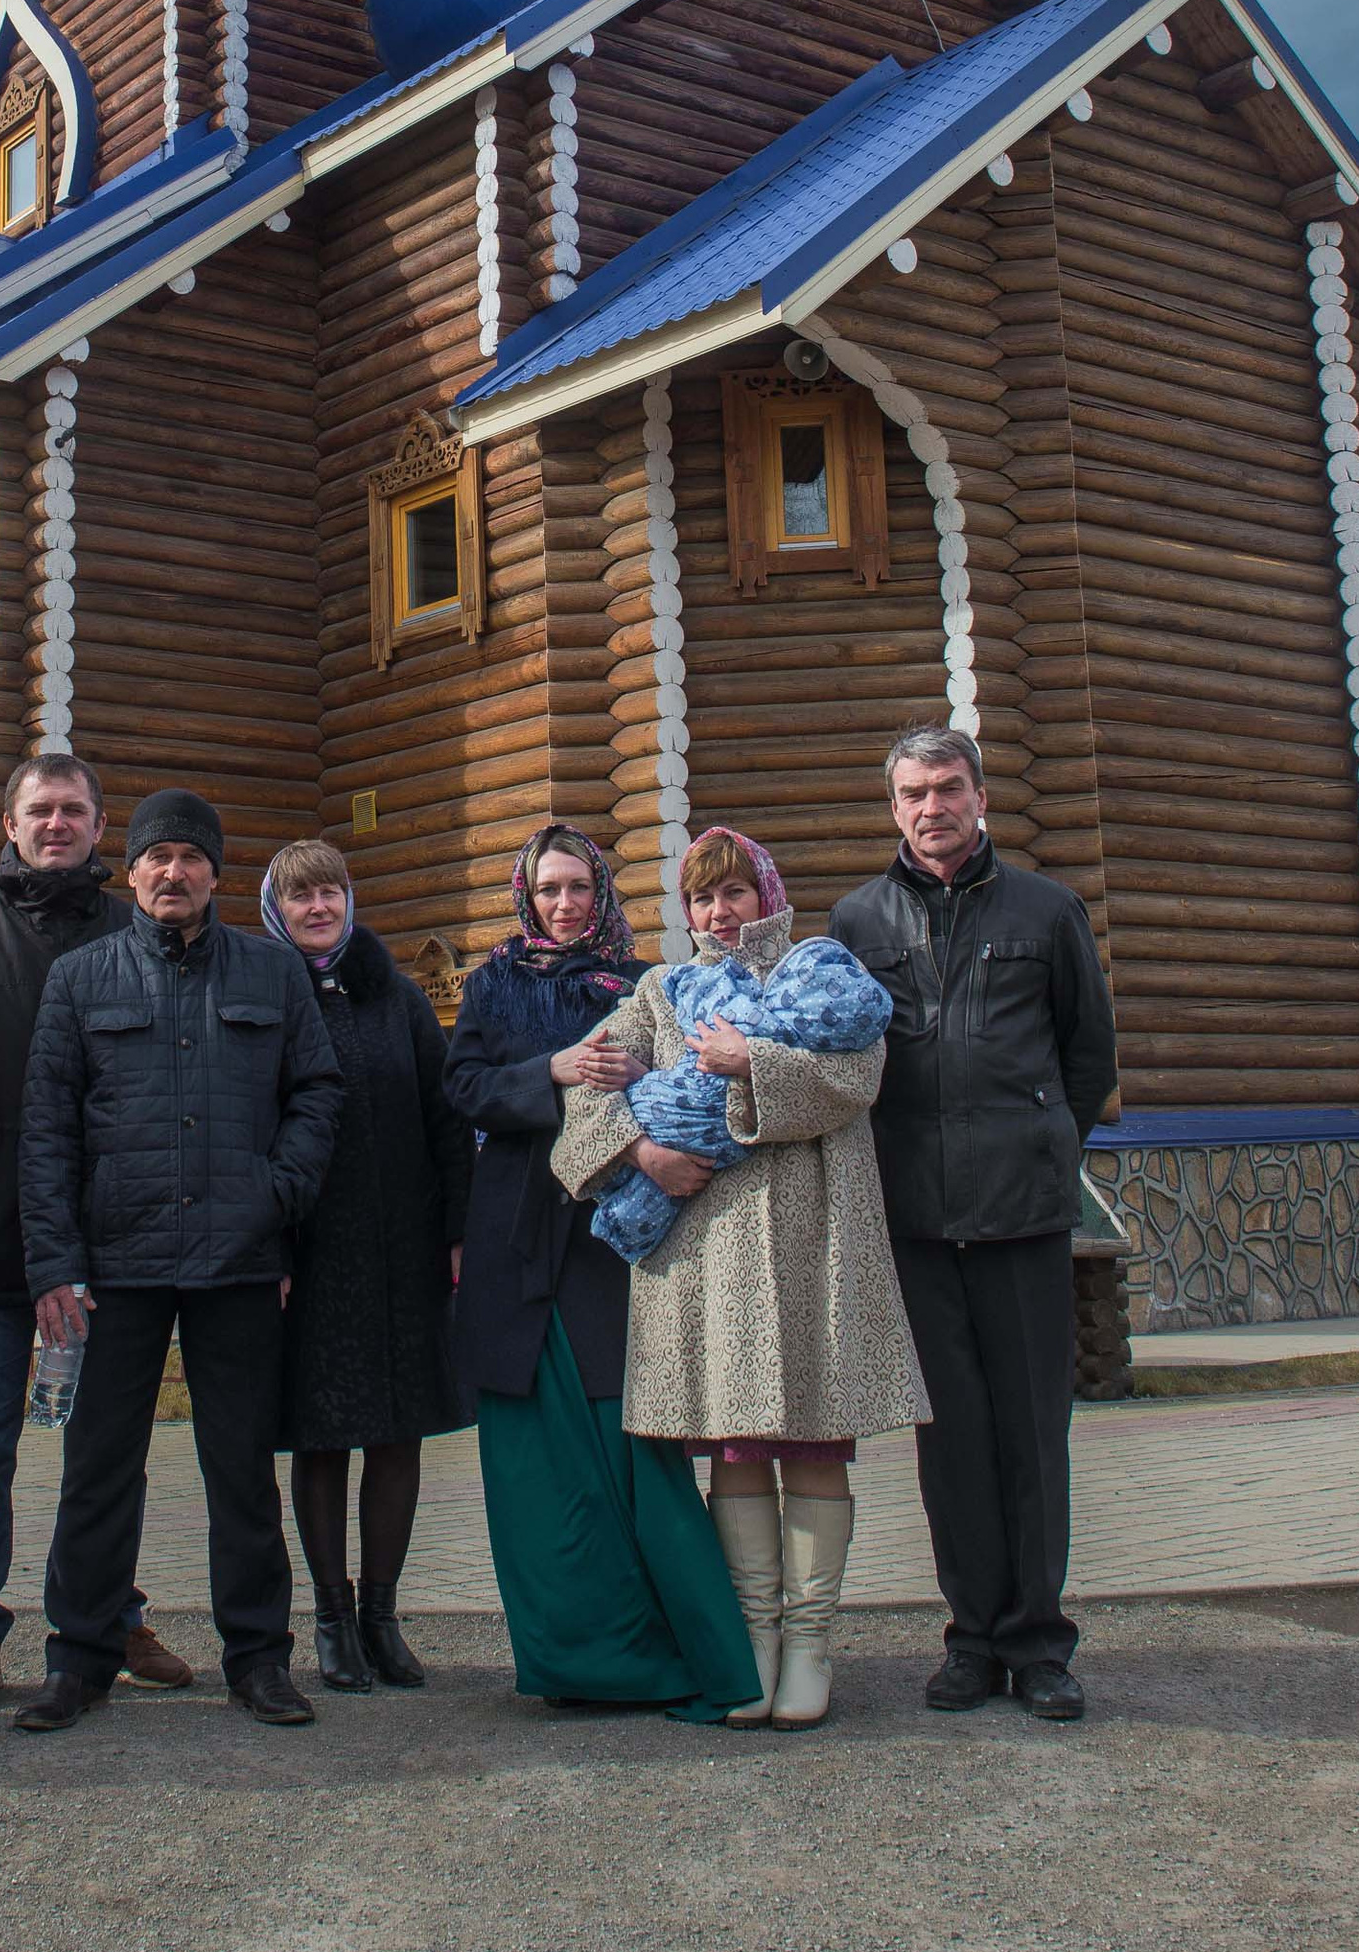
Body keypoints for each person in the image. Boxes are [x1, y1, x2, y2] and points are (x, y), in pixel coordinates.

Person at [552, 827, 926, 1729]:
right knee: (737, 1442)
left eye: (734, 893)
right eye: (701, 897)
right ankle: (753, 1638)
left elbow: (858, 1075)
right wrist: (643, 1152)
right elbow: (587, 1087)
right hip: (709, 1250)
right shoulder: (663, 991)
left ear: (767, 894)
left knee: (815, 1438)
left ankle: (811, 1642)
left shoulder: (817, 971)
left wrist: (747, 1061)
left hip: (813, 1235)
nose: (719, 913)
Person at [12, 788, 343, 1733]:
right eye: (157, 856)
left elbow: (318, 1092)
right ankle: (79, 1658)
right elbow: (47, 1129)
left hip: (238, 1260)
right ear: (132, 870)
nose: (173, 871)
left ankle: (259, 1658)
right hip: (115, 1263)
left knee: (240, 1470)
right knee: (98, 1469)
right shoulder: (80, 979)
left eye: (191, 857)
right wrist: (54, 1264)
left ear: (214, 873)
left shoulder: (272, 973)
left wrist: (275, 1192)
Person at [830, 725, 1117, 1723]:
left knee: (1032, 1434)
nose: (932, 807)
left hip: (1022, 1218)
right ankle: (971, 1639)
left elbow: (1087, 1056)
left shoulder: (1046, 910)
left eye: (948, 787)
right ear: (893, 807)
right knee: (948, 1442)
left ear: (980, 796)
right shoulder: (857, 922)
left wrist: (1042, 1145)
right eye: (913, 792)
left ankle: (1038, 1644)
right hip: (915, 1219)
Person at [445, 824, 758, 1726]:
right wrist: (549, 1070)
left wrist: (639, 1073)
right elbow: (462, 1087)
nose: (564, 903)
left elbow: (690, 1081)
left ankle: (673, 1658)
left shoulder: (644, 981)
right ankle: (570, 1660)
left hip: (610, 1238)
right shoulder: (494, 982)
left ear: (603, 892)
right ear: (526, 895)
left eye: (579, 886)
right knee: (535, 1470)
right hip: (514, 1238)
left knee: (634, 1451)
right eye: (548, 888)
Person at [0, 752, 194, 1715]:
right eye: (41, 809)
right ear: (12, 824)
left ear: (99, 826)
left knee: (105, 1449)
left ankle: (110, 1614)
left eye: (74, 809)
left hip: (113, 1243)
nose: (57, 823)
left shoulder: (131, 929)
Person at [259, 839, 472, 1692]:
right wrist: (268, 1246)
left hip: (402, 1249)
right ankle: (331, 1617)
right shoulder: (261, 995)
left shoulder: (399, 999)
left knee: (397, 1432)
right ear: (277, 908)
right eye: (300, 895)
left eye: (331, 891)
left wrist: (456, 1228)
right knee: (322, 1436)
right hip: (311, 1255)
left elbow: (446, 1115)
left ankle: (383, 1615)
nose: (319, 907)